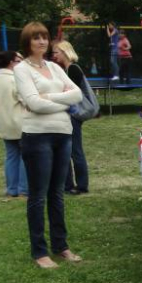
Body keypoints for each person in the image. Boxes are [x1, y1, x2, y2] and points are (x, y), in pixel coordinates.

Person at [14, 22, 83, 269]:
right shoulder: (22, 70)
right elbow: (34, 104)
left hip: (63, 134)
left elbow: (78, 95)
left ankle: (61, 246)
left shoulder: (54, 67)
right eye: (36, 38)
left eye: (44, 37)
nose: (42, 42)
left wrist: (51, 98)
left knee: (57, 194)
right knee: (38, 195)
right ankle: (39, 252)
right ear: (28, 42)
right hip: (37, 137)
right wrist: (63, 101)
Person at [52, 41, 91, 194]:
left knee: (75, 151)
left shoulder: (73, 69)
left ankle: (81, 185)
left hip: (74, 115)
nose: (54, 56)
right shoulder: (66, 69)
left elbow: (69, 95)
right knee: (66, 151)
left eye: (56, 52)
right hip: (69, 115)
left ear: (65, 52)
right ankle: (67, 185)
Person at [0, 50, 27, 197]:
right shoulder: (15, 79)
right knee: (24, 156)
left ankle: (11, 189)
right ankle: (23, 189)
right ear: (12, 62)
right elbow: (26, 99)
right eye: (19, 60)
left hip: (5, 124)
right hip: (21, 123)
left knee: (11, 156)